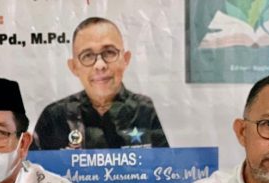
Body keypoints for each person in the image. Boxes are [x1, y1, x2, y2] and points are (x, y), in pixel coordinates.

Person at [32, 17, 168, 150]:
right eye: (88, 56)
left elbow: (164, 168)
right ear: (74, 67)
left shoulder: (143, 111)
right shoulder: (55, 117)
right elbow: (31, 170)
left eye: (109, 52)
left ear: (125, 59)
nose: (100, 65)